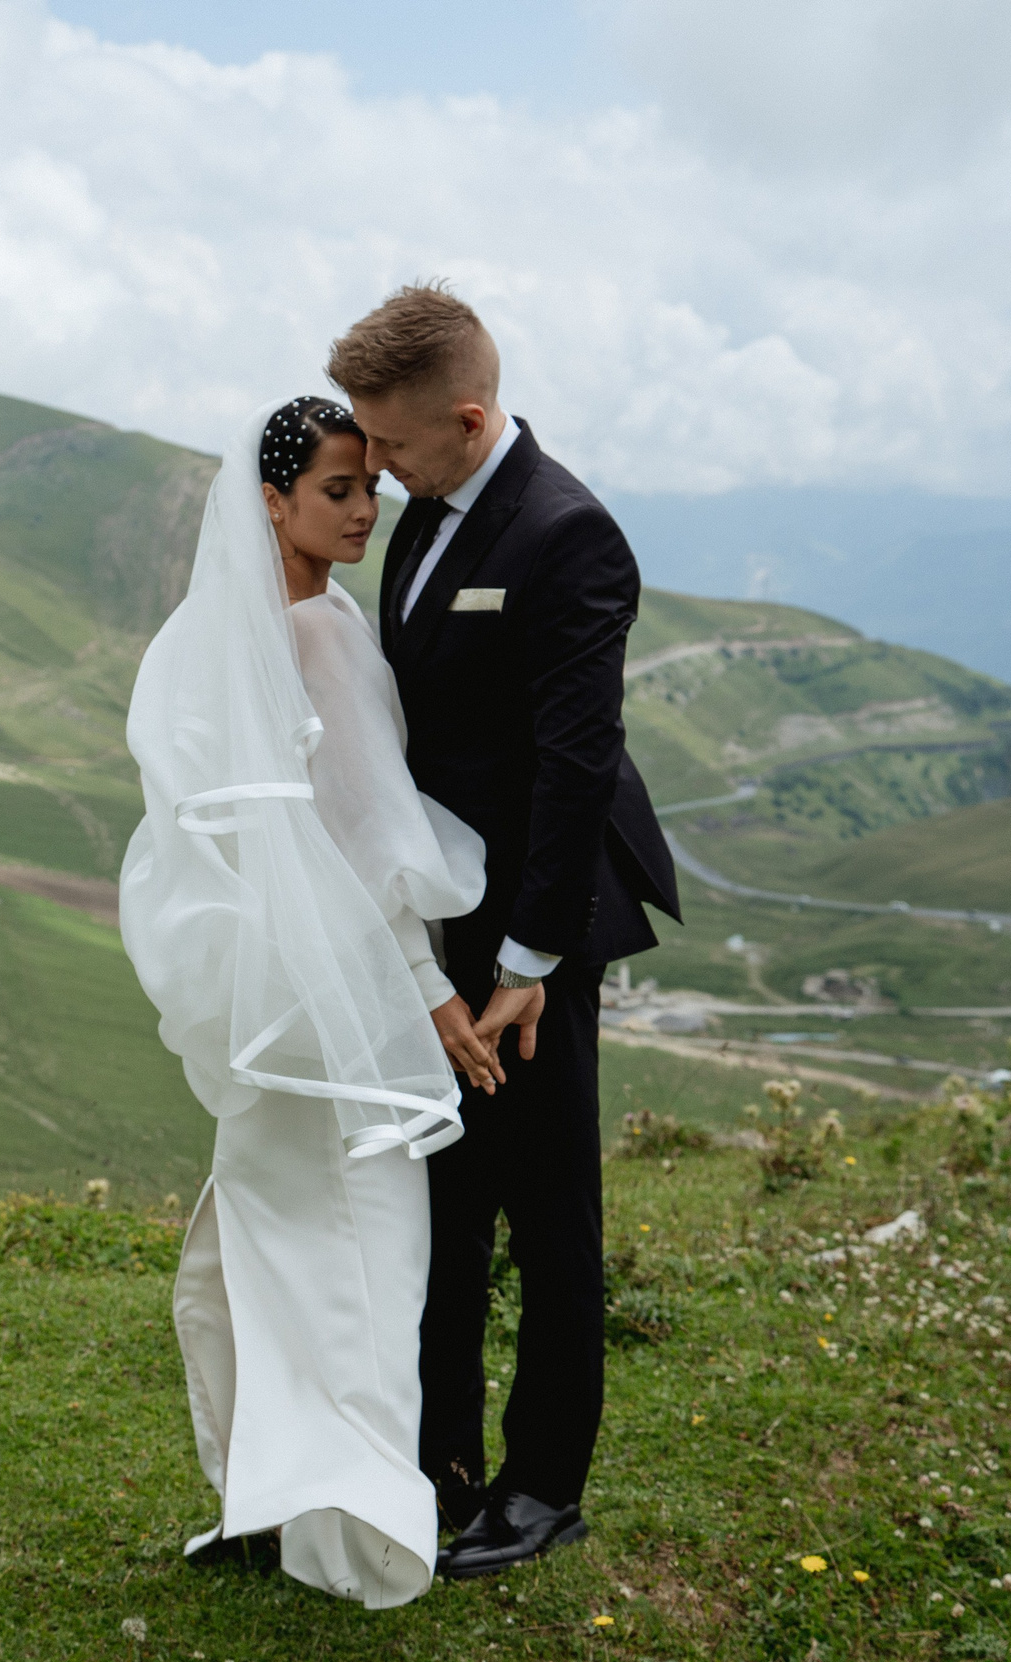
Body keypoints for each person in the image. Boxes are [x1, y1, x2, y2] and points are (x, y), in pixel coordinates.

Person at [328, 284, 680, 1579]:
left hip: (539, 917)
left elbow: (575, 764)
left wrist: (528, 965)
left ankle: (545, 1484)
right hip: (439, 904)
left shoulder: (568, 534)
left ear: (469, 418)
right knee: (445, 1192)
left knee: (546, 1205)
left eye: (397, 447)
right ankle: (439, 1459)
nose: (377, 473)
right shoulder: (426, 515)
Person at [119, 396, 486, 1608]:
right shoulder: (320, 635)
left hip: (263, 1003)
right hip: (341, 1005)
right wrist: (428, 987)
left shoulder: (204, 636)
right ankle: (353, 1524)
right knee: (370, 1257)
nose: (363, 511)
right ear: (270, 500)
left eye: (368, 488)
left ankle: (267, 1497)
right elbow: (371, 839)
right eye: (337, 490)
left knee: (268, 1250)